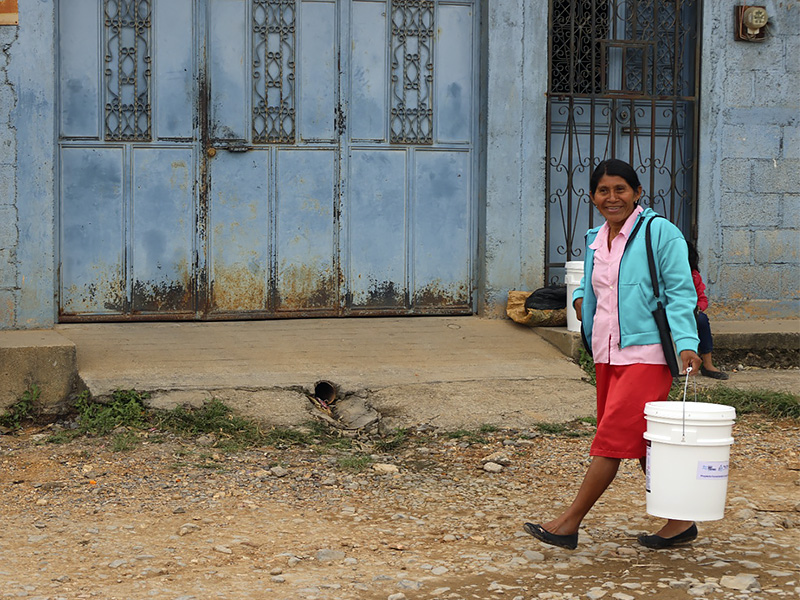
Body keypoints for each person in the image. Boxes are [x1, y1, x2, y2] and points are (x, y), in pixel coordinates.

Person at [523, 159, 703, 550]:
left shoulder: (661, 234)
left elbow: (680, 293)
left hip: (648, 354)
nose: (612, 197)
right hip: (606, 353)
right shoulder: (596, 238)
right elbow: (587, 284)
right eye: (603, 191)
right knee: (640, 440)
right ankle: (680, 521)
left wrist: (687, 343)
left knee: (609, 440)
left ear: (637, 193)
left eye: (620, 189)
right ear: (593, 197)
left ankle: (568, 523)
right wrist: (578, 299)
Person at [687, 241, 729, 380]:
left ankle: (708, 364)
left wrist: (698, 307)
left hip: (691, 312)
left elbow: (702, 299)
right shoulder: (665, 275)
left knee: (702, 320)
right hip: (671, 312)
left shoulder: (694, 276)